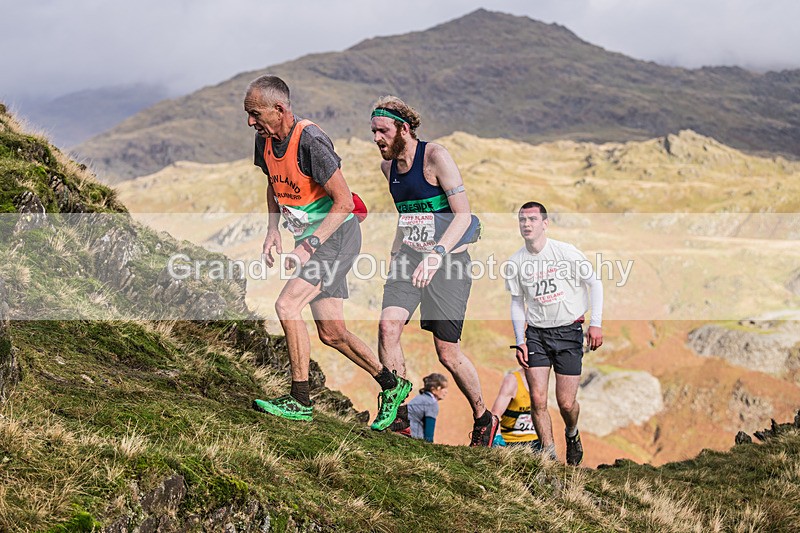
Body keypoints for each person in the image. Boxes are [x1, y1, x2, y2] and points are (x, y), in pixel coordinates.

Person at [245, 75, 410, 426]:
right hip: (314, 240)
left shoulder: (311, 141)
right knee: (332, 332)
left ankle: (300, 400)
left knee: (287, 305)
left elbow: (345, 201)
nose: (250, 121)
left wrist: (309, 245)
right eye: (248, 114)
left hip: (335, 238)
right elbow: (272, 185)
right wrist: (273, 229)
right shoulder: (264, 140)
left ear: (280, 109)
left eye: (255, 114)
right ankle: (392, 385)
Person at [369, 95, 499, 447]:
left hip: (450, 261)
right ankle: (398, 417)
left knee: (447, 352)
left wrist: (437, 254)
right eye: (373, 132)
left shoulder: (435, 157)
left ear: (403, 129)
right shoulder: (388, 169)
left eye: (382, 131)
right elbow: (408, 215)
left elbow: (464, 217)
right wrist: (397, 254)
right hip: (410, 259)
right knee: (387, 326)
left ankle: (484, 418)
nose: (377, 139)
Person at [506, 201, 603, 465]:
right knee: (537, 399)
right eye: (522, 220)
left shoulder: (565, 252)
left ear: (545, 224)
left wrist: (596, 323)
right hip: (536, 334)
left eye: (533, 219)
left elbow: (595, 283)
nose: (527, 224)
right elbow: (517, 302)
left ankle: (572, 433)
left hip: (569, 332)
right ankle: (548, 456)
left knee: (566, 403)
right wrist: (520, 341)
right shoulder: (515, 262)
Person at [490, 368, 542, 451]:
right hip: (510, 442)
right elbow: (495, 413)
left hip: (535, 442)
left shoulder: (542, 380)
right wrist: (497, 439)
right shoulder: (512, 380)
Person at [407, 373, 449, 442]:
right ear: (433, 389)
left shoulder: (420, 398)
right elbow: (429, 434)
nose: (446, 391)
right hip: (413, 439)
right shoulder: (431, 403)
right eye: (443, 388)